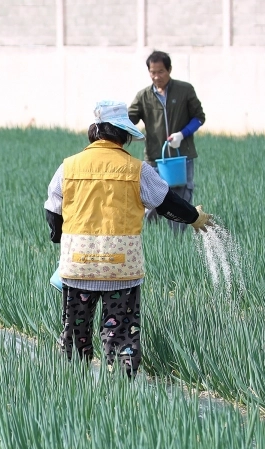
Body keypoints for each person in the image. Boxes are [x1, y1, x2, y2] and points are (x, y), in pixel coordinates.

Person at [43, 101, 211, 377]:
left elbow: (52, 211)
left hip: (77, 267)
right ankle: (121, 390)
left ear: (94, 132)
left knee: (75, 331)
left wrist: (59, 238)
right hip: (121, 269)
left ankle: (73, 387)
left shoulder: (68, 167)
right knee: (120, 333)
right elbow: (166, 203)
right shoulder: (137, 169)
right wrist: (193, 217)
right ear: (123, 135)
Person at [128, 51, 205, 234]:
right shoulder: (144, 96)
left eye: (161, 71)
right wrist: (114, 122)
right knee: (150, 202)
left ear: (169, 70)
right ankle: (154, 240)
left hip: (180, 157)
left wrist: (182, 134)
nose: (157, 76)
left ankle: (176, 242)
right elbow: (130, 118)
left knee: (179, 201)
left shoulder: (185, 90)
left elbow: (199, 117)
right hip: (154, 159)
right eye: (153, 72)